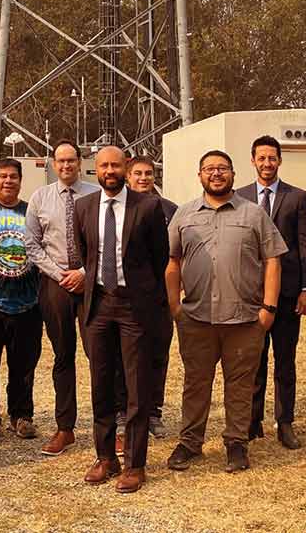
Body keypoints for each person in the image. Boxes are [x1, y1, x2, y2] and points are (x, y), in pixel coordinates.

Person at [165, 149, 286, 474]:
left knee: (241, 385)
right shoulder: (185, 214)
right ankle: (190, 442)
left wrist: (268, 308)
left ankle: (236, 443)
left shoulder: (254, 214)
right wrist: (176, 306)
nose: (216, 174)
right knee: (195, 383)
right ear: (200, 175)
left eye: (222, 168)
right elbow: (172, 262)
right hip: (197, 318)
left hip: (245, 320)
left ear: (233, 173)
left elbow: (272, 259)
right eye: (209, 169)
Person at [74, 145, 169, 494]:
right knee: (101, 384)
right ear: (95, 170)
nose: (109, 170)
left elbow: (159, 259)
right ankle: (105, 457)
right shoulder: (83, 207)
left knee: (136, 387)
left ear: (126, 168)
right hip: (98, 305)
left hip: (134, 307)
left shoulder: (147, 206)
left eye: (116, 165)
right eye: (103, 166)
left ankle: (134, 463)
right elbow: (85, 253)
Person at [235, 134, 306, 450]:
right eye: (262, 158)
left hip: (287, 294)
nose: (267, 163)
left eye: (272, 158)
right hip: (250, 295)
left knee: (285, 361)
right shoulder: (239, 196)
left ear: (279, 161)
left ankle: (285, 423)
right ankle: (252, 422)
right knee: (252, 361)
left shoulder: (297, 197)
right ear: (253, 160)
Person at [23, 139, 100, 457]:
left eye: (71, 160)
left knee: (101, 356)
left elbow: (105, 240)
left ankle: (107, 427)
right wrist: (59, 274)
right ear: (53, 163)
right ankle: (65, 428)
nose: (66, 166)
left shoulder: (96, 195)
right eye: (61, 161)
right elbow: (31, 243)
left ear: (80, 161)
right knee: (63, 356)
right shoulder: (40, 198)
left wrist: (84, 272)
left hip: (91, 283)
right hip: (55, 284)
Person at [0, 158, 41, 443]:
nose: (8, 181)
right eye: (3, 176)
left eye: (13, 177)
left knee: (23, 365)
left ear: (20, 180)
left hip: (27, 303)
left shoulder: (32, 213)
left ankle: (22, 415)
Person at [124, 155, 176, 439]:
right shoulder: (119, 208)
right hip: (126, 298)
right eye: (138, 174)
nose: (143, 178)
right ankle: (125, 410)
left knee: (157, 355)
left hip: (160, 298)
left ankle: (154, 411)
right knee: (126, 358)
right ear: (128, 177)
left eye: (148, 173)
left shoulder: (169, 209)